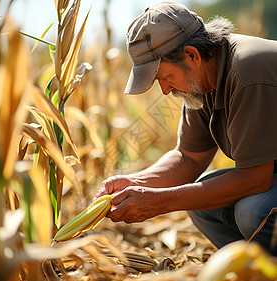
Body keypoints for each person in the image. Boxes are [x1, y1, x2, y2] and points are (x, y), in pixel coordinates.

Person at [95, 2, 277, 255]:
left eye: (166, 78)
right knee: (203, 203)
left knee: (253, 211)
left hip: (262, 181)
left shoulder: (249, 71)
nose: (166, 90)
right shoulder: (201, 81)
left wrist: (159, 202)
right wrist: (134, 182)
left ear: (192, 55)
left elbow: (254, 180)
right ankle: (259, 276)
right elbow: (189, 157)